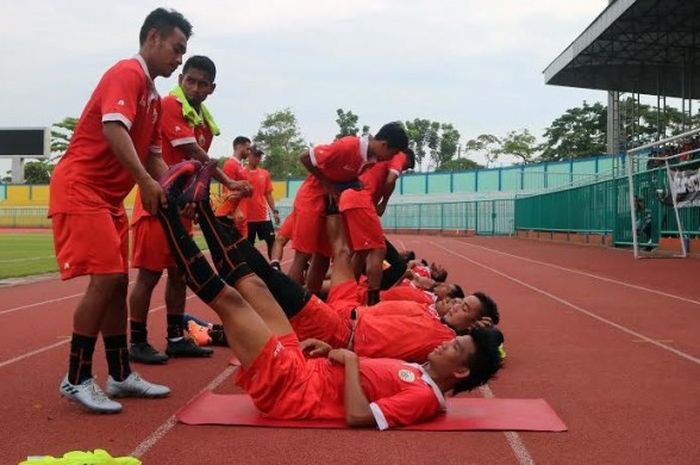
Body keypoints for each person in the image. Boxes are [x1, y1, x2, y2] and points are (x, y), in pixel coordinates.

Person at [156, 163, 504, 429]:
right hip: (307, 367)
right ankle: (200, 207)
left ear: (459, 373)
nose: (447, 344)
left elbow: (358, 416)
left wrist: (349, 360)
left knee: (231, 301)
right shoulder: (420, 370)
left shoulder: (425, 397)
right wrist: (332, 354)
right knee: (256, 286)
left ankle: (167, 210)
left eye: (456, 347)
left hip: (291, 390)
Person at [48, 8, 192, 413]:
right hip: (82, 188)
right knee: (108, 278)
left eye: (183, 51)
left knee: (115, 284)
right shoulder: (126, 74)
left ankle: (120, 373)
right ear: (152, 39)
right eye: (176, 49)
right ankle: (76, 376)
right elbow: (114, 129)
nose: (179, 59)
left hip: (109, 199)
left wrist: (175, 185)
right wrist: (146, 183)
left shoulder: (153, 98)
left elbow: (153, 156)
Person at [128, 55, 236, 364]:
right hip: (157, 205)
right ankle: (136, 340)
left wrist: (193, 198)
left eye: (203, 83)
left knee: (179, 275)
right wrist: (228, 181)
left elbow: (195, 168)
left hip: (181, 208)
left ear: (211, 88)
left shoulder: (203, 120)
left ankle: (176, 337)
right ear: (180, 81)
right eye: (190, 80)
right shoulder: (170, 105)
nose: (195, 87)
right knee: (148, 276)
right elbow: (194, 154)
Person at [288, 122, 409, 295]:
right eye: (391, 153)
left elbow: (342, 173)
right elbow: (305, 157)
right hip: (311, 199)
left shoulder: (370, 160)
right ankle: (291, 306)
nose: (390, 159)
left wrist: (353, 184)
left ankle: (312, 301)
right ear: (384, 145)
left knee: (323, 257)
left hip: (330, 203)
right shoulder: (347, 146)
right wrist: (327, 184)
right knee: (303, 255)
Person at [340, 149, 415, 304]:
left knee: (362, 251)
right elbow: (390, 180)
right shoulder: (398, 155)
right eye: (406, 167)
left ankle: (350, 293)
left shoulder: (379, 160)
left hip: (348, 198)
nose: (403, 170)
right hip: (360, 199)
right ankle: (373, 298)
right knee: (379, 248)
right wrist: (383, 203)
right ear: (407, 157)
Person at [245, 146, 280, 258]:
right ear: (249, 155)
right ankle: (250, 270)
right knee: (248, 245)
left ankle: (274, 266)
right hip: (246, 217)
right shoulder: (241, 172)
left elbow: (268, 194)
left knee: (271, 241)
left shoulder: (265, 173)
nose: (258, 158)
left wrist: (275, 211)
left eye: (260, 156)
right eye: (256, 155)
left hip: (263, 216)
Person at [216, 136, 253, 236]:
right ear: (240, 147)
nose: (249, 152)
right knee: (237, 247)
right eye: (248, 149)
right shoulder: (230, 164)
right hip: (235, 214)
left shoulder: (239, 166)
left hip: (242, 213)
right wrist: (236, 211)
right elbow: (227, 190)